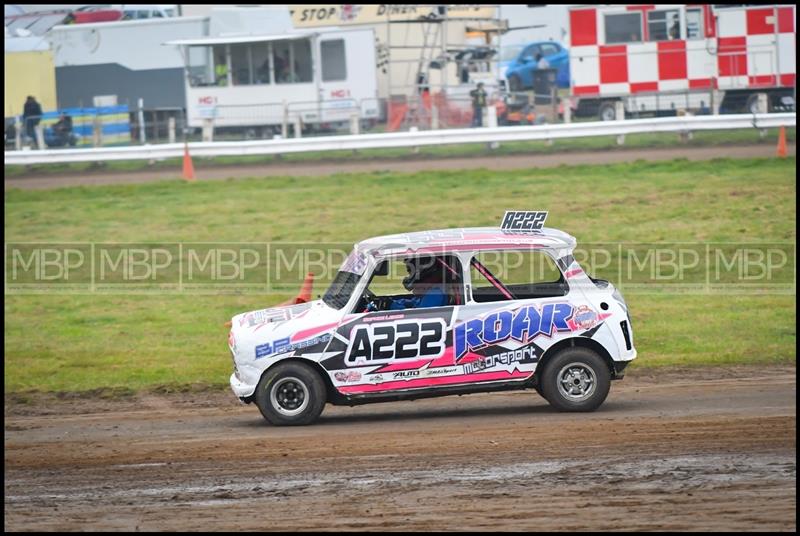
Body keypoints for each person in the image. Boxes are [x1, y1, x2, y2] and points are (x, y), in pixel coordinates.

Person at [368, 257, 452, 311]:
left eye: (409, 271)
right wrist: (393, 302)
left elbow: (418, 317)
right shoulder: (429, 290)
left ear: (420, 270)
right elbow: (414, 303)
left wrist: (392, 305)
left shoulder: (435, 293)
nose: (408, 275)